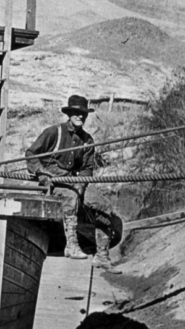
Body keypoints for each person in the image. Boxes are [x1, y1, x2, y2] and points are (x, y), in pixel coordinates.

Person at [25, 95, 117, 270]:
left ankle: (102, 256)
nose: (80, 116)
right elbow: (31, 154)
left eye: (83, 113)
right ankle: (71, 246)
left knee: (104, 206)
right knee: (72, 197)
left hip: (75, 180)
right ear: (69, 114)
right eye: (76, 113)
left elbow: (87, 168)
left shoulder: (87, 140)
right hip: (53, 180)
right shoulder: (54, 132)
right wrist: (41, 173)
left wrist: (81, 184)